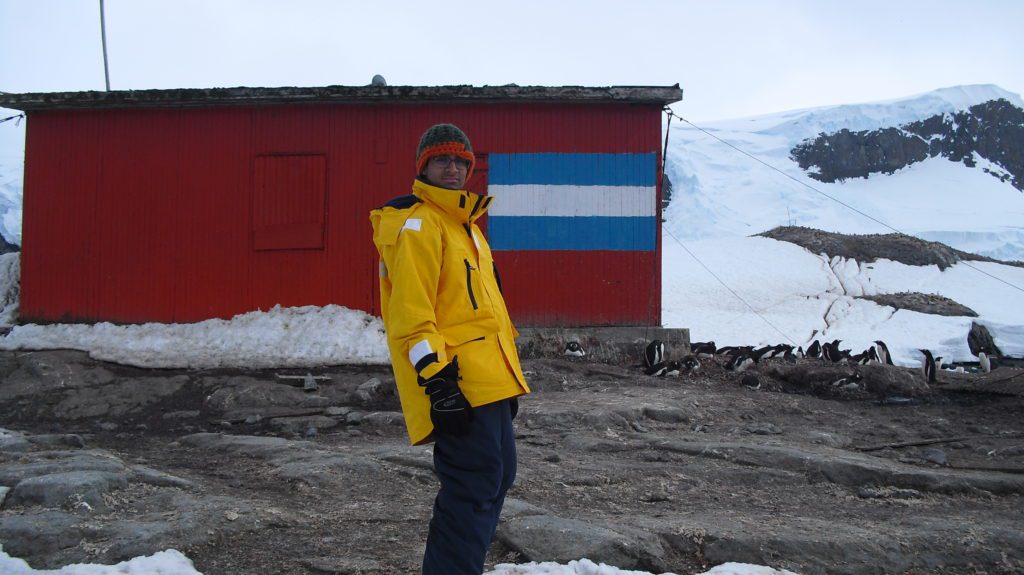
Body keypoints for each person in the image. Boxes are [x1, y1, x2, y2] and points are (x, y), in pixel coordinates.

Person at [370, 123, 530, 575]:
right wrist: (438, 384)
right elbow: (411, 317)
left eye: (462, 161)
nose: (454, 168)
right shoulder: (420, 225)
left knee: (495, 480)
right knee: (472, 486)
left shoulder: (470, 230)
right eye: (443, 160)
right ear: (424, 166)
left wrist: (507, 383)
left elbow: (487, 316)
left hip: (491, 384)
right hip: (457, 384)